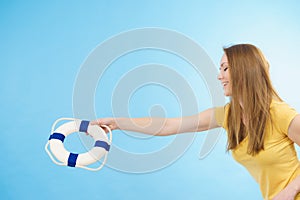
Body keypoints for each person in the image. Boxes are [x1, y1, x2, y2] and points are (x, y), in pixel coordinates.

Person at [91, 44, 300, 200]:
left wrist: (289, 191)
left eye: (225, 68)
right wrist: (118, 123)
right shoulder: (229, 116)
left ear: (244, 70)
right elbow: (167, 126)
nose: (219, 76)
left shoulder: (279, 114)